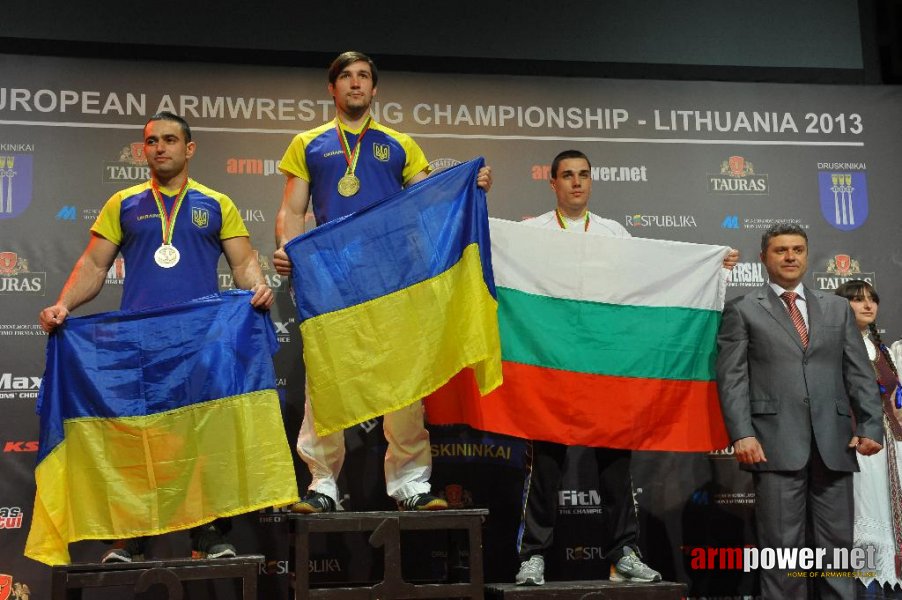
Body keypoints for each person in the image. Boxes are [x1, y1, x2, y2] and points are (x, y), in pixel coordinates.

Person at [39, 111, 274, 563]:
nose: (159, 147)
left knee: (203, 442)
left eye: (169, 140)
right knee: (140, 440)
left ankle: (208, 536)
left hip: (201, 343)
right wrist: (64, 305)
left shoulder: (216, 202)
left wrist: (257, 286)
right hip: (141, 345)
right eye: (151, 141)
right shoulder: (123, 203)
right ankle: (132, 537)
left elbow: (243, 264)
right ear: (143, 150)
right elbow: (93, 266)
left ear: (190, 149)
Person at [273, 51, 492, 514]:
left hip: (393, 278)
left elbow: (431, 198)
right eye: (346, 77)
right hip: (332, 279)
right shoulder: (308, 144)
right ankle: (322, 485)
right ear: (332, 89)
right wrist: (290, 251)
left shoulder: (399, 145)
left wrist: (472, 185)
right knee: (326, 381)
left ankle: (411, 483)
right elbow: (292, 211)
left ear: (375, 90)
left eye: (364, 77)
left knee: (403, 381)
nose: (355, 84)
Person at [514, 149, 738, 586]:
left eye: (583, 175)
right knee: (546, 465)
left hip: (604, 362)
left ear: (591, 181)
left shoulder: (614, 232)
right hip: (552, 361)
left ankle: (624, 553)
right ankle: (533, 556)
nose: (576, 182)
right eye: (567, 176)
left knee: (615, 466)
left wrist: (711, 265)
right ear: (553, 183)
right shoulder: (530, 231)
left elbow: (648, 281)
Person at [716, 223, 882, 599]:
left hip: (835, 445)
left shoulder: (837, 308)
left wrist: (871, 425)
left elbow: (858, 373)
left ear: (806, 255)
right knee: (782, 552)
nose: (790, 257)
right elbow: (732, 379)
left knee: (838, 552)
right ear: (763, 258)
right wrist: (742, 433)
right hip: (774, 444)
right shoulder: (742, 309)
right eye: (780, 250)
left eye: (797, 250)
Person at [835, 281, 902, 594]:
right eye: (858, 300)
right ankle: (865, 587)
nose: (867, 305)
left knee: (891, 516)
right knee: (865, 514)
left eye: (872, 299)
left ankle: (889, 586)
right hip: (858, 442)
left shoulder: (883, 350)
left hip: (891, 446)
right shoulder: (834, 346)